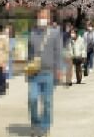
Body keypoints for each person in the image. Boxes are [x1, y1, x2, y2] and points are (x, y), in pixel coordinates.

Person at [27, 8, 63, 137]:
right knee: (33, 99)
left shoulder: (55, 33)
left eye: (44, 17)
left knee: (47, 101)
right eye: (39, 16)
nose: (41, 19)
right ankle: (35, 124)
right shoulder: (32, 33)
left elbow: (58, 53)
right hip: (34, 73)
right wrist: (28, 69)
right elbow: (29, 53)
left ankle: (45, 126)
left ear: (48, 19)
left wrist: (59, 69)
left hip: (48, 73)